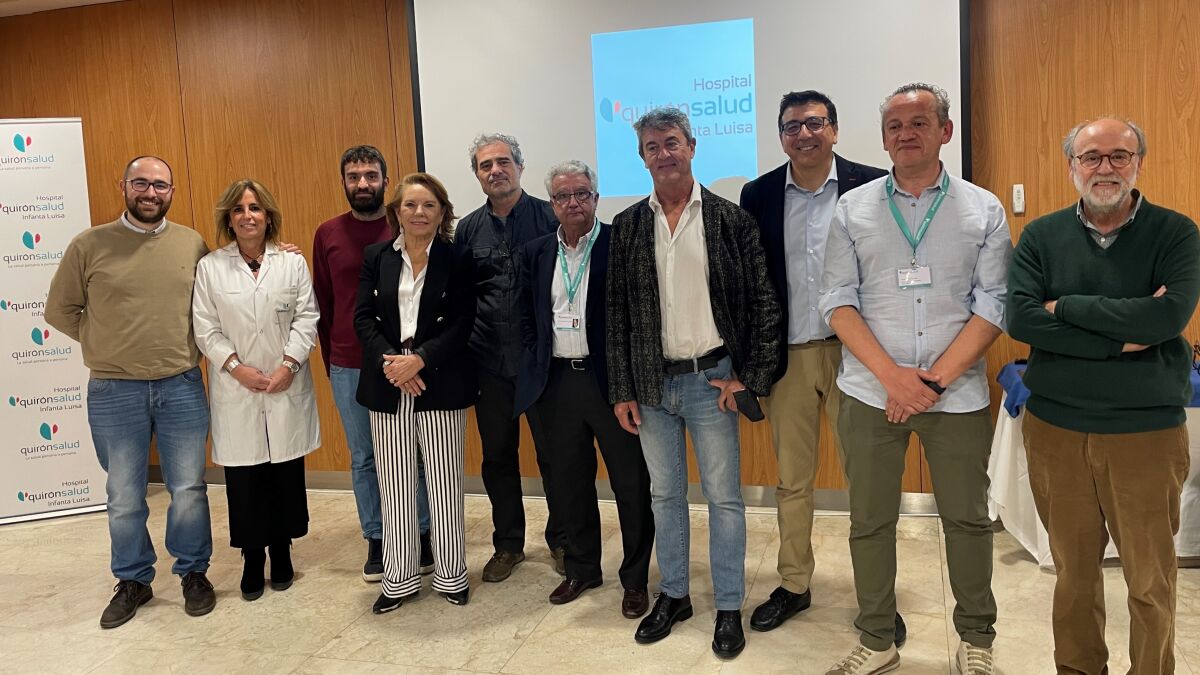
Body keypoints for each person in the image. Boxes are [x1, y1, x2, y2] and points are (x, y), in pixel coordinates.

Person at [819, 83, 1008, 675]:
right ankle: (877, 638)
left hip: (958, 394)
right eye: (895, 125)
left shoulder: (983, 209)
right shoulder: (852, 210)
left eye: (920, 122)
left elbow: (994, 303)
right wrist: (893, 378)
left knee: (968, 521)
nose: (906, 133)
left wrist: (931, 382)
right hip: (870, 393)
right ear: (883, 139)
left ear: (945, 131)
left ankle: (976, 640)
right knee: (870, 522)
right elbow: (837, 300)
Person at [1007, 117, 1200, 675]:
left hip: (1146, 434)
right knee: (1073, 576)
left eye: (1120, 155)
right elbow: (1022, 320)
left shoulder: (1176, 233)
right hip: (1056, 431)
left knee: (1149, 579)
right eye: (1091, 157)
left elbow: (1167, 318)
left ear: (1139, 162)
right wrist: (1122, 339)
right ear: (1072, 166)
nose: (1105, 168)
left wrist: (1064, 307)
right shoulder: (1041, 236)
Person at [607, 107, 780, 659]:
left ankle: (728, 605)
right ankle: (675, 595)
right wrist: (622, 389)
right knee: (665, 496)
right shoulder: (628, 225)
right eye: (652, 146)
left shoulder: (731, 220)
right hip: (653, 386)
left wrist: (749, 378)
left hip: (713, 382)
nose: (663, 153)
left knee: (724, 499)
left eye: (672, 142)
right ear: (642, 158)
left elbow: (763, 303)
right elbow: (616, 315)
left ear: (692, 146)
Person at [44, 155, 217, 628]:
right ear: (123, 186)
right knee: (124, 494)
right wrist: (102, 343)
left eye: (160, 185)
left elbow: (215, 298)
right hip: (113, 389)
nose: (150, 192)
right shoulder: (89, 245)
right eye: (141, 183)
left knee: (188, 488)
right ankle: (133, 580)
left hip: (180, 384)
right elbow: (60, 310)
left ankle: (193, 572)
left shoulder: (191, 243)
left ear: (171, 192)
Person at [739, 90, 887, 633]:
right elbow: (749, 282)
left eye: (814, 123)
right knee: (793, 481)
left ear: (835, 129)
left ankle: (876, 595)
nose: (804, 134)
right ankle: (794, 584)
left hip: (858, 355)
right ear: (781, 136)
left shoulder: (872, 185)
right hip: (790, 359)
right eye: (792, 126)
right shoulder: (758, 194)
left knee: (866, 480)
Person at [515, 160, 655, 618]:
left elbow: (639, 316)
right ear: (551, 203)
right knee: (569, 483)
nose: (572, 202)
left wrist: (629, 381)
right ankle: (582, 568)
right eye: (562, 196)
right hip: (556, 384)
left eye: (581, 193)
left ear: (596, 198)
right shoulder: (536, 252)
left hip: (610, 384)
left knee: (630, 484)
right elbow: (526, 317)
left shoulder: (620, 243)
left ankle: (634, 579)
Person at [192, 179, 320, 602]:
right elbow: (205, 328)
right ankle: (252, 556)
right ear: (229, 220)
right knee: (245, 479)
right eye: (239, 210)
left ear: (268, 216)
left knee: (284, 472)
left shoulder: (291, 263)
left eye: (255, 208)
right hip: (238, 387)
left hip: (285, 382)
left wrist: (289, 365)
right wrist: (235, 368)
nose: (248, 216)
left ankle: (281, 550)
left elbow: (307, 317)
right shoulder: (211, 267)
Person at [355, 172, 477, 612]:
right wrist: (394, 364)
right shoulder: (376, 257)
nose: (419, 212)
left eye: (429, 205)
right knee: (395, 486)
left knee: (444, 483)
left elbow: (463, 321)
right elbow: (363, 318)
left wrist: (420, 359)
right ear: (396, 212)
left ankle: (451, 575)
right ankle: (399, 580)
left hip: (439, 379)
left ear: (442, 213)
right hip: (388, 381)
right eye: (410, 204)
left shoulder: (458, 257)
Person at [314, 145, 433, 582]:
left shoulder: (405, 226)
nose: (362, 183)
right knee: (364, 457)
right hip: (350, 363)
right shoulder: (328, 233)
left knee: (414, 454)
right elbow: (324, 303)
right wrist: (332, 360)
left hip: (406, 362)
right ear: (344, 182)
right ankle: (378, 538)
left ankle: (423, 534)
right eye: (353, 176)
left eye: (370, 175)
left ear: (385, 180)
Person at [455, 133, 567, 582]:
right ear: (477, 175)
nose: (495, 170)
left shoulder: (550, 217)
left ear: (520, 167)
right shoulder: (467, 230)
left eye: (503, 162)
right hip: (488, 362)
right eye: (485, 165)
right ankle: (508, 544)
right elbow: (461, 298)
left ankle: (562, 539)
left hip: (541, 363)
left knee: (553, 456)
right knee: (498, 458)